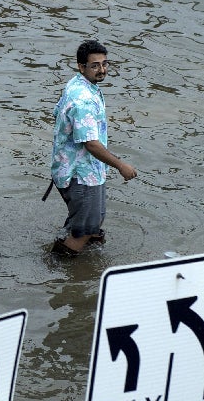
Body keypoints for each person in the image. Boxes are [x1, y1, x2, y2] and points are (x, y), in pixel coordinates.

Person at [48, 40, 137, 255]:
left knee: (92, 224)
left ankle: (88, 266)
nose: (102, 69)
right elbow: (91, 144)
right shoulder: (84, 100)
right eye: (95, 65)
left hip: (77, 169)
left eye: (105, 64)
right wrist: (120, 165)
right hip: (81, 174)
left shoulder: (77, 85)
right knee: (85, 231)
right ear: (81, 67)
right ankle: (60, 271)